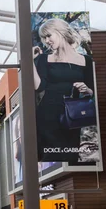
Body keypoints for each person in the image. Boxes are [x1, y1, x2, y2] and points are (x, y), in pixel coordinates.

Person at [32, 17, 95, 163]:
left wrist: (87, 90)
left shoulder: (86, 60)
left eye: (49, 36)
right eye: (44, 37)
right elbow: (39, 86)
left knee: (71, 156)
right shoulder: (43, 59)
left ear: (60, 32)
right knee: (51, 156)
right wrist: (31, 63)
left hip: (74, 115)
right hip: (48, 115)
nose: (46, 41)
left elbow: (92, 91)